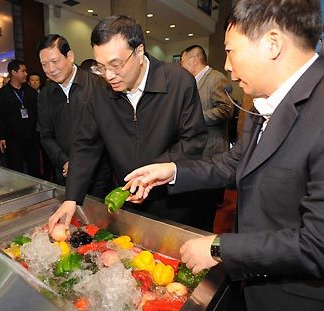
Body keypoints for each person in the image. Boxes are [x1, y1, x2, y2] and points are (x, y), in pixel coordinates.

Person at [123, 1, 324, 310]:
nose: (227, 65)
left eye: (230, 51)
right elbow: (235, 163)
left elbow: (316, 245)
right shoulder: (264, 100)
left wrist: (220, 248)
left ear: (272, 43)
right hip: (259, 284)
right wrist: (171, 171)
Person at [48, 15, 208, 231]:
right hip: (126, 198)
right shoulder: (99, 90)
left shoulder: (179, 82)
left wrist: (151, 177)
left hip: (171, 200)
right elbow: (86, 144)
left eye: (116, 65)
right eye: (101, 67)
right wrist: (72, 198)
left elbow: (193, 141)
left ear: (139, 52)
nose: (109, 76)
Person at [37, 34, 112, 198]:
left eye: (55, 61)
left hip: (99, 173)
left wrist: (83, 162)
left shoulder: (99, 85)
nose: (50, 69)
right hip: (65, 172)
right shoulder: (45, 94)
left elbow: (109, 131)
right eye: (44, 64)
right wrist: (65, 162)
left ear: (70, 56)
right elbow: (46, 135)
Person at [180, 45, 234, 231]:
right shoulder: (190, 82)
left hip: (213, 151)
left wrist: (196, 117)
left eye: (182, 60)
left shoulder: (216, 78)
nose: (181, 64)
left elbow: (226, 110)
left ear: (194, 59)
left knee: (206, 210)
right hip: (195, 154)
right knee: (194, 207)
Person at [0, 59, 40, 177]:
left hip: (32, 138)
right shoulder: (2, 94)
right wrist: (1, 137)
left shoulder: (31, 92)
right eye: (23, 71)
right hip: (13, 140)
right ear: (13, 72)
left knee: (34, 168)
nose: (26, 74)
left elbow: (39, 113)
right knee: (16, 170)